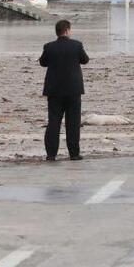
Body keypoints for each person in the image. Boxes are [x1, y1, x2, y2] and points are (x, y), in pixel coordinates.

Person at [40, 19, 90, 161]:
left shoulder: (49, 47)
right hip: (73, 90)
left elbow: (43, 63)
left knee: (54, 121)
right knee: (73, 122)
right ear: (67, 31)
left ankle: (51, 154)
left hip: (54, 90)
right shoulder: (76, 45)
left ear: (57, 32)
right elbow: (85, 60)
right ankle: (74, 154)